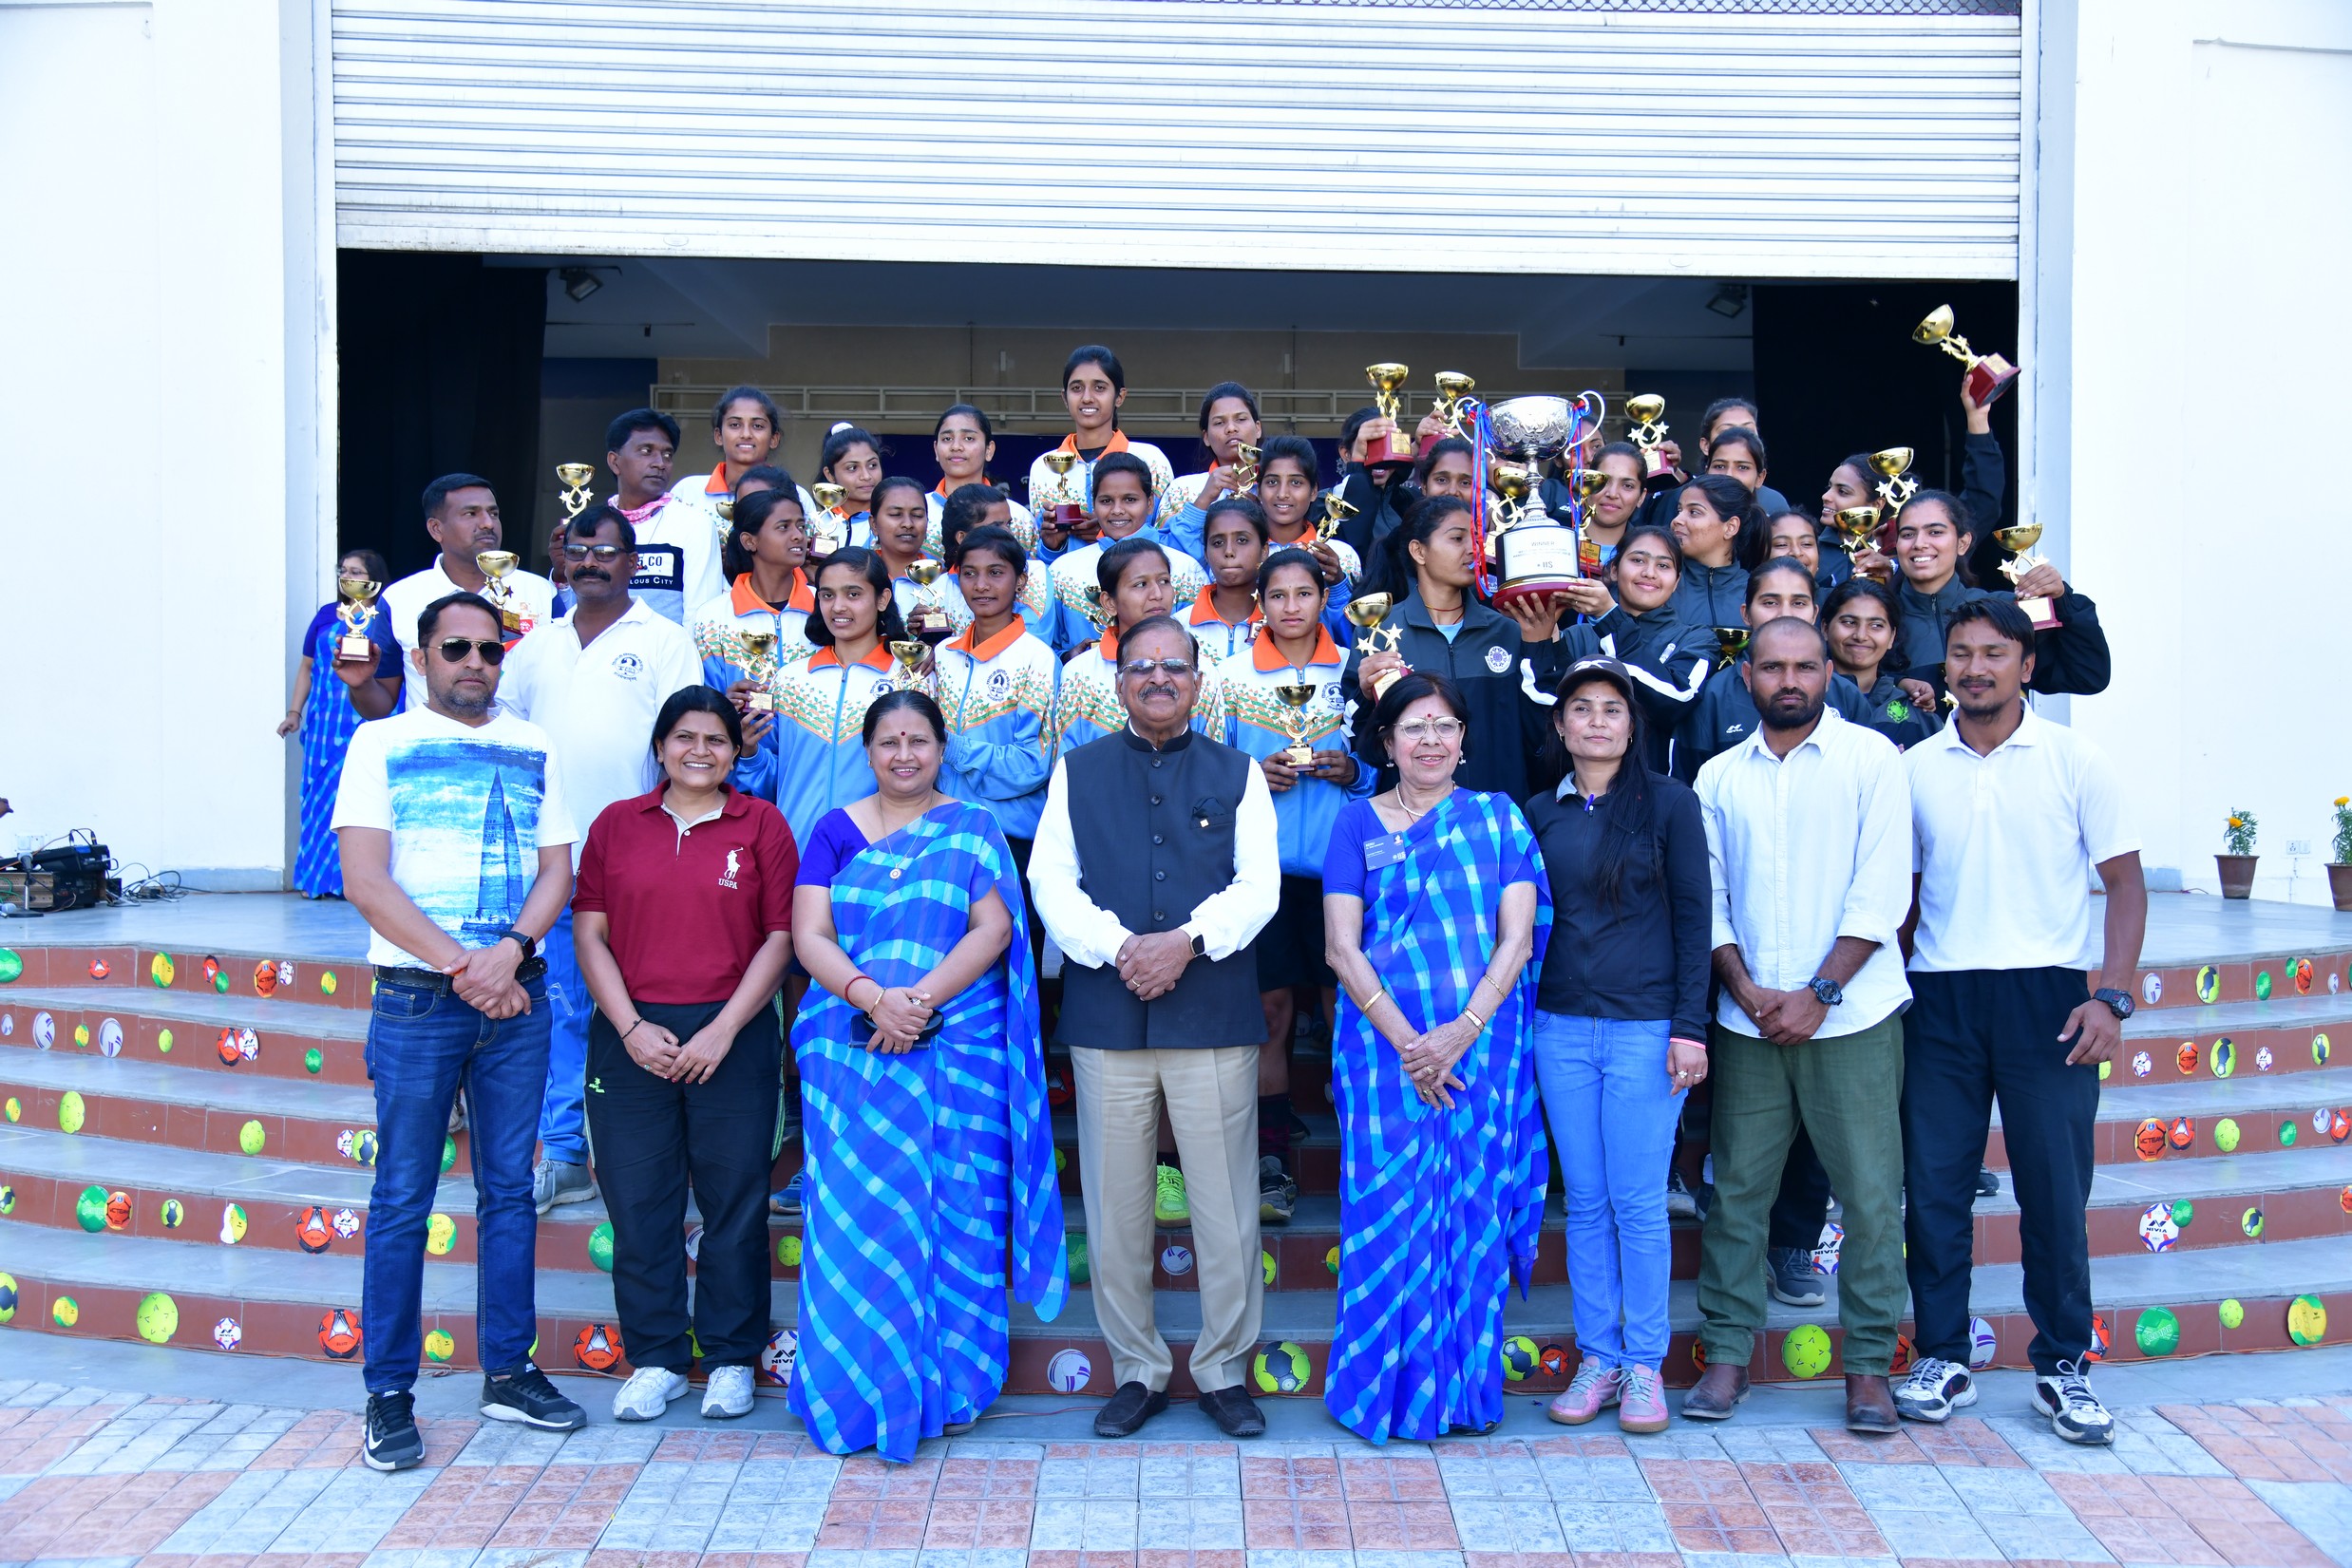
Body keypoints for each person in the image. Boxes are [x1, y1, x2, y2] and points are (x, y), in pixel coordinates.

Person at [332, 590, 585, 1469]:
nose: (475, 662)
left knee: (509, 1192)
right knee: (402, 1196)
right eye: (456, 648)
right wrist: (465, 967)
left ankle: (508, 1372)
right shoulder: (380, 742)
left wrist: (508, 953)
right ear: (422, 656)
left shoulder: (534, 743)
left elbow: (557, 871)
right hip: (418, 1000)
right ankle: (388, 1393)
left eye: (488, 648)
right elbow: (366, 880)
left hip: (517, 995)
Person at [788, 690, 1068, 1460]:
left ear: (942, 750)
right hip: (851, 1054)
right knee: (855, 1224)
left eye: (919, 740)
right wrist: (871, 997)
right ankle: (854, 1392)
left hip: (955, 1051)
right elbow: (809, 933)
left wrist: (915, 1003)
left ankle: (954, 1382)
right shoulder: (834, 830)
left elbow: (994, 927)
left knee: (956, 1211)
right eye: (889, 742)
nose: (904, 754)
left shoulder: (973, 826)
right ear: (868, 752)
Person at [1894, 599, 2146, 1445]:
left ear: (2027, 665)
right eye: (1961, 652)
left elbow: (2126, 883)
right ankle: (1941, 1355)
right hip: (1940, 999)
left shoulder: (2075, 759)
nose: (1975, 667)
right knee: (1934, 1189)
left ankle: (2065, 1363)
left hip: (2051, 1000)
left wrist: (2112, 995)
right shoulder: (1916, 768)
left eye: (1994, 653)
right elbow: (1904, 898)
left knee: (2054, 1191)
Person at [1029, 614, 1280, 1441]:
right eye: (1142, 666)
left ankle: (1223, 1369)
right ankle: (1136, 1368)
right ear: (1119, 682)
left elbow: (1260, 886)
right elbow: (1051, 882)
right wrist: (1122, 947)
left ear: (1199, 681)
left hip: (1213, 1010)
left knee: (1225, 1206)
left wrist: (1186, 942)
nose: (1159, 678)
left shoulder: (1240, 771)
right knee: (1116, 1207)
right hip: (1108, 1012)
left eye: (1175, 666)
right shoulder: (1078, 771)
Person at [1686, 616, 1913, 1435]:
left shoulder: (1872, 759)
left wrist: (1819, 991)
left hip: (1852, 1019)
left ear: (1829, 674)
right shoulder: (1717, 776)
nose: (1790, 680)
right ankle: (1726, 1355)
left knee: (1869, 1197)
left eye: (1806, 667)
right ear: (1746, 675)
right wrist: (1745, 988)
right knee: (1737, 1195)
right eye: (1774, 667)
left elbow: (1882, 892)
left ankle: (1869, 1367)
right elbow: (1709, 897)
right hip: (1749, 1020)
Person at [1320, 672, 1546, 1442]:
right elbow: (1341, 947)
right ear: (1386, 742)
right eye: (1414, 727)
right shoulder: (1356, 822)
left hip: (1479, 1051)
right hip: (1381, 1058)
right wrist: (1410, 1044)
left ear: (1463, 740)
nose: (1430, 740)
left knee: (1469, 1216)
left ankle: (1462, 1391)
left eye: (1445, 726)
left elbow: (1517, 937)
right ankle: (1379, 1391)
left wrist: (1461, 1030)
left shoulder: (1498, 817)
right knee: (1386, 1215)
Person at [572, 688, 797, 1423]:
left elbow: (781, 937)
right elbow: (589, 933)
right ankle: (659, 1357)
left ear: (736, 752)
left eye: (716, 740)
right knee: (639, 1202)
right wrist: (631, 1026)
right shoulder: (616, 824)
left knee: (735, 1202)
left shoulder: (761, 824)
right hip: (630, 1032)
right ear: (661, 748)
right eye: (684, 737)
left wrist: (724, 1029)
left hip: (733, 1030)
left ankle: (730, 1357)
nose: (700, 751)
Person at [495, 506, 705, 1215]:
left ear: (631, 560)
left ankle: (649, 1163)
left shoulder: (665, 640)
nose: (590, 562)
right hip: (552, 866)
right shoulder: (534, 646)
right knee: (561, 1012)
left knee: (640, 1010)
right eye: (578, 550)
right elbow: (504, 739)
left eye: (606, 551)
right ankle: (563, 1154)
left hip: (640, 866)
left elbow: (688, 748)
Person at [1523, 658, 1708, 1434]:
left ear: (1633, 726)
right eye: (1581, 708)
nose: (1596, 721)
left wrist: (1690, 1026)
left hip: (1645, 1030)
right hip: (1560, 1027)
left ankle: (1644, 1366)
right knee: (1587, 1201)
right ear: (1560, 725)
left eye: (1611, 709)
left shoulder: (1670, 803)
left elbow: (1695, 919)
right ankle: (1598, 1357)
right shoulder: (1540, 811)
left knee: (1637, 1203)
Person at [1219, 548, 1367, 1223]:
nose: (1290, 607)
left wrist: (1354, 772)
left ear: (1323, 598)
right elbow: (1208, 769)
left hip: (1346, 868)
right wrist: (1254, 774)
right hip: (1263, 871)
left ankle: (1365, 1151)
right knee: (1272, 1013)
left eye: (1303, 593)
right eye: (1276, 595)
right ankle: (1271, 1161)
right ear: (1260, 603)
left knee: (1349, 1007)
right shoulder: (1230, 675)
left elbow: (1391, 759)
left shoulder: (1355, 671)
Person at [1344, 497, 1561, 803]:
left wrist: (1540, 647)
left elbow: (1543, 733)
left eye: (1477, 539)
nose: (1473, 550)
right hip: (1413, 816)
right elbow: (1358, 738)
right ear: (1419, 551)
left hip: (1499, 813)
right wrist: (1365, 697)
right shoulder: (1376, 633)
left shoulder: (1509, 630)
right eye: (1458, 538)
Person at [736, 546, 906, 847]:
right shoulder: (790, 680)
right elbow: (777, 780)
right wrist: (750, 753)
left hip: (880, 856)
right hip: (796, 851)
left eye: (853, 594)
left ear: (882, 599)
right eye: (827, 595)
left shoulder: (907, 679)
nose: (838, 607)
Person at [1875, 492, 2112, 696]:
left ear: (1963, 543)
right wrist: (1897, 683)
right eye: (1908, 534)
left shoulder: (2006, 611)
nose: (1919, 543)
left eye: (1935, 532)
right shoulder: (1876, 618)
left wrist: (2062, 600)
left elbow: (2087, 676)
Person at [1672, 557, 1874, 781]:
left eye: (1798, 603)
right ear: (1746, 614)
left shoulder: (1846, 695)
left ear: (1814, 613)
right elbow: (1690, 788)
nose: (1784, 614)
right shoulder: (1713, 697)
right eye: (1770, 603)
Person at [283, 549, 404, 896]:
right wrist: (294, 713)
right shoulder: (326, 615)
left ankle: (360, 883)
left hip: (371, 717)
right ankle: (318, 881)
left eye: (356, 572)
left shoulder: (388, 615)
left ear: (373, 579)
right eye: (343, 571)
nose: (347, 577)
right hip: (325, 724)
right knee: (320, 800)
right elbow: (307, 667)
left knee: (365, 800)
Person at [938, 523, 1060, 849]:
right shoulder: (942, 655)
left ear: (1020, 581)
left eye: (995, 573)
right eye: (969, 574)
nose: (981, 585)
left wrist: (954, 749)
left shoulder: (1038, 659)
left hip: (1008, 837)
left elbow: (1034, 763)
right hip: (942, 831)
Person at [382, 476, 556, 702]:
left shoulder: (542, 591)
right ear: (436, 529)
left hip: (522, 725)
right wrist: (361, 683)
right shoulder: (399, 598)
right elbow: (380, 704)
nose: (488, 524)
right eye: (471, 513)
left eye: (493, 513)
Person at [1550, 524, 1709, 772]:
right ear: (1614, 569)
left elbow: (1677, 700)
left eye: (1663, 565)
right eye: (1637, 560)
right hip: (1577, 784)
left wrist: (1609, 618)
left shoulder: (1696, 639)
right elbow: (1548, 709)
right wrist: (1542, 632)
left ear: (1677, 581)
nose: (1649, 573)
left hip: (1654, 786)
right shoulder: (1577, 636)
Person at [1053, 538, 1226, 756]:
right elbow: (1069, 763)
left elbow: (1212, 758)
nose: (1157, 594)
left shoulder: (1200, 669)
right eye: (1140, 584)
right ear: (1109, 602)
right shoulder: (1079, 674)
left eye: (1164, 581)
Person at [1027, 345, 1178, 546]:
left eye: (1099, 388)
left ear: (1119, 397)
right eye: (1076, 388)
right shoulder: (1045, 467)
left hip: (1133, 566)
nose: (1087, 398)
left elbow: (1166, 541)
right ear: (1064, 398)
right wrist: (1051, 544)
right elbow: (1038, 550)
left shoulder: (1151, 460)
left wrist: (1109, 530)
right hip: (1069, 568)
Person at [1047, 452, 1208, 624]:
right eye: (1106, 501)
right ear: (1093, 504)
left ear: (1150, 503)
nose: (1117, 510)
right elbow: (1050, 639)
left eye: (1130, 499)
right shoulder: (1063, 571)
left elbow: (1197, 636)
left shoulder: (1187, 570)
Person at [692, 485, 817, 698]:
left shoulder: (823, 606)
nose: (798, 536)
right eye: (783, 527)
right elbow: (704, 697)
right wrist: (727, 707)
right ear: (749, 541)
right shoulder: (712, 618)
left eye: (801, 526)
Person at [667, 387, 820, 545]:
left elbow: (803, 552)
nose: (746, 434)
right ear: (719, 436)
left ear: (774, 439)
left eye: (758, 426)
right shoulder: (687, 492)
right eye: (735, 425)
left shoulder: (797, 496)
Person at [599, 407, 707, 625]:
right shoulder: (594, 526)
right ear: (614, 462)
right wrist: (560, 578)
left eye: (667, 455)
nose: (660, 463)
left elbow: (698, 616)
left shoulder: (694, 524)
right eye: (646, 451)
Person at [1821, 576, 1943, 751]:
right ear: (1825, 628)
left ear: (1892, 637)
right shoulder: (1806, 700)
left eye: (1876, 625)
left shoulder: (1916, 712)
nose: (1861, 636)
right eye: (1849, 622)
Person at [1168, 380, 1265, 560]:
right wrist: (1204, 500)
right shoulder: (1181, 488)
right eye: (1219, 422)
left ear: (1257, 428)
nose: (1231, 428)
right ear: (1206, 437)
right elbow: (1167, 552)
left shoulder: (1276, 487)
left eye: (1241, 419)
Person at [927, 404, 1038, 554]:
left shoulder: (1019, 518)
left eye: (968, 438)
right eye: (947, 438)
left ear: (989, 450)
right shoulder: (918, 512)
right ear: (936, 449)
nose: (956, 446)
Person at [1665, 475, 1755, 631]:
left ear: (1731, 527)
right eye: (1679, 510)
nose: (1677, 520)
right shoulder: (1662, 582)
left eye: (1694, 512)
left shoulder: (1756, 590)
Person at [1189, 494, 1267, 665]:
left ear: (1264, 551)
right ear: (1206, 554)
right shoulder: (1180, 626)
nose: (1229, 551)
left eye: (1242, 540)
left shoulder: (1280, 623)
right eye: (1218, 543)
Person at [812, 425, 886, 546]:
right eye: (852, 468)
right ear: (830, 475)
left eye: (872, 465)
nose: (866, 476)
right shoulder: (817, 526)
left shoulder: (892, 523)